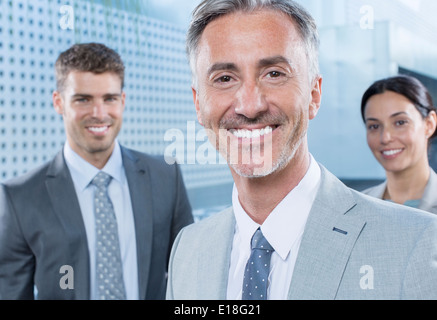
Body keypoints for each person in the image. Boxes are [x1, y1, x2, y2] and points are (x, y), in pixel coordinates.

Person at [166, 0, 437, 300]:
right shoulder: (187, 251)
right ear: (198, 104)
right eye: (225, 79)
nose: (250, 105)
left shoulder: (416, 243)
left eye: (274, 73)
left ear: (313, 95)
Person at [0, 43, 194, 300]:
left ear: (122, 101)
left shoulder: (165, 177)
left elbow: (190, 276)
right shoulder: (20, 197)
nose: (99, 114)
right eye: (83, 99)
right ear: (58, 102)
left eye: (109, 98)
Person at [360, 75, 437, 214]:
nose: (385, 138)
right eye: (374, 126)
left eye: (400, 122)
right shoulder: (356, 207)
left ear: (429, 124)